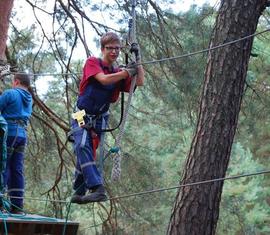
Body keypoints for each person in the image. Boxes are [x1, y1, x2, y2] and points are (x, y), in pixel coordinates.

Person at [70, 32, 145, 204]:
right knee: (82, 145)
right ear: (102, 49)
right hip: (81, 113)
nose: (114, 52)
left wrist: (138, 61)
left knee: (90, 150)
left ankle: (79, 190)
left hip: (99, 117)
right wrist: (126, 72)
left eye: (117, 48)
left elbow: (139, 82)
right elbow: (103, 80)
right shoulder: (93, 63)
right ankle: (97, 188)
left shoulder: (118, 72)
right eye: (110, 48)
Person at [0, 73, 32, 213]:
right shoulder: (29, 98)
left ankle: (0, 202)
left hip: (9, 133)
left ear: (16, 81)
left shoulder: (10, 94)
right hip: (22, 135)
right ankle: (17, 206)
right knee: (16, 169)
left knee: (3, 164)